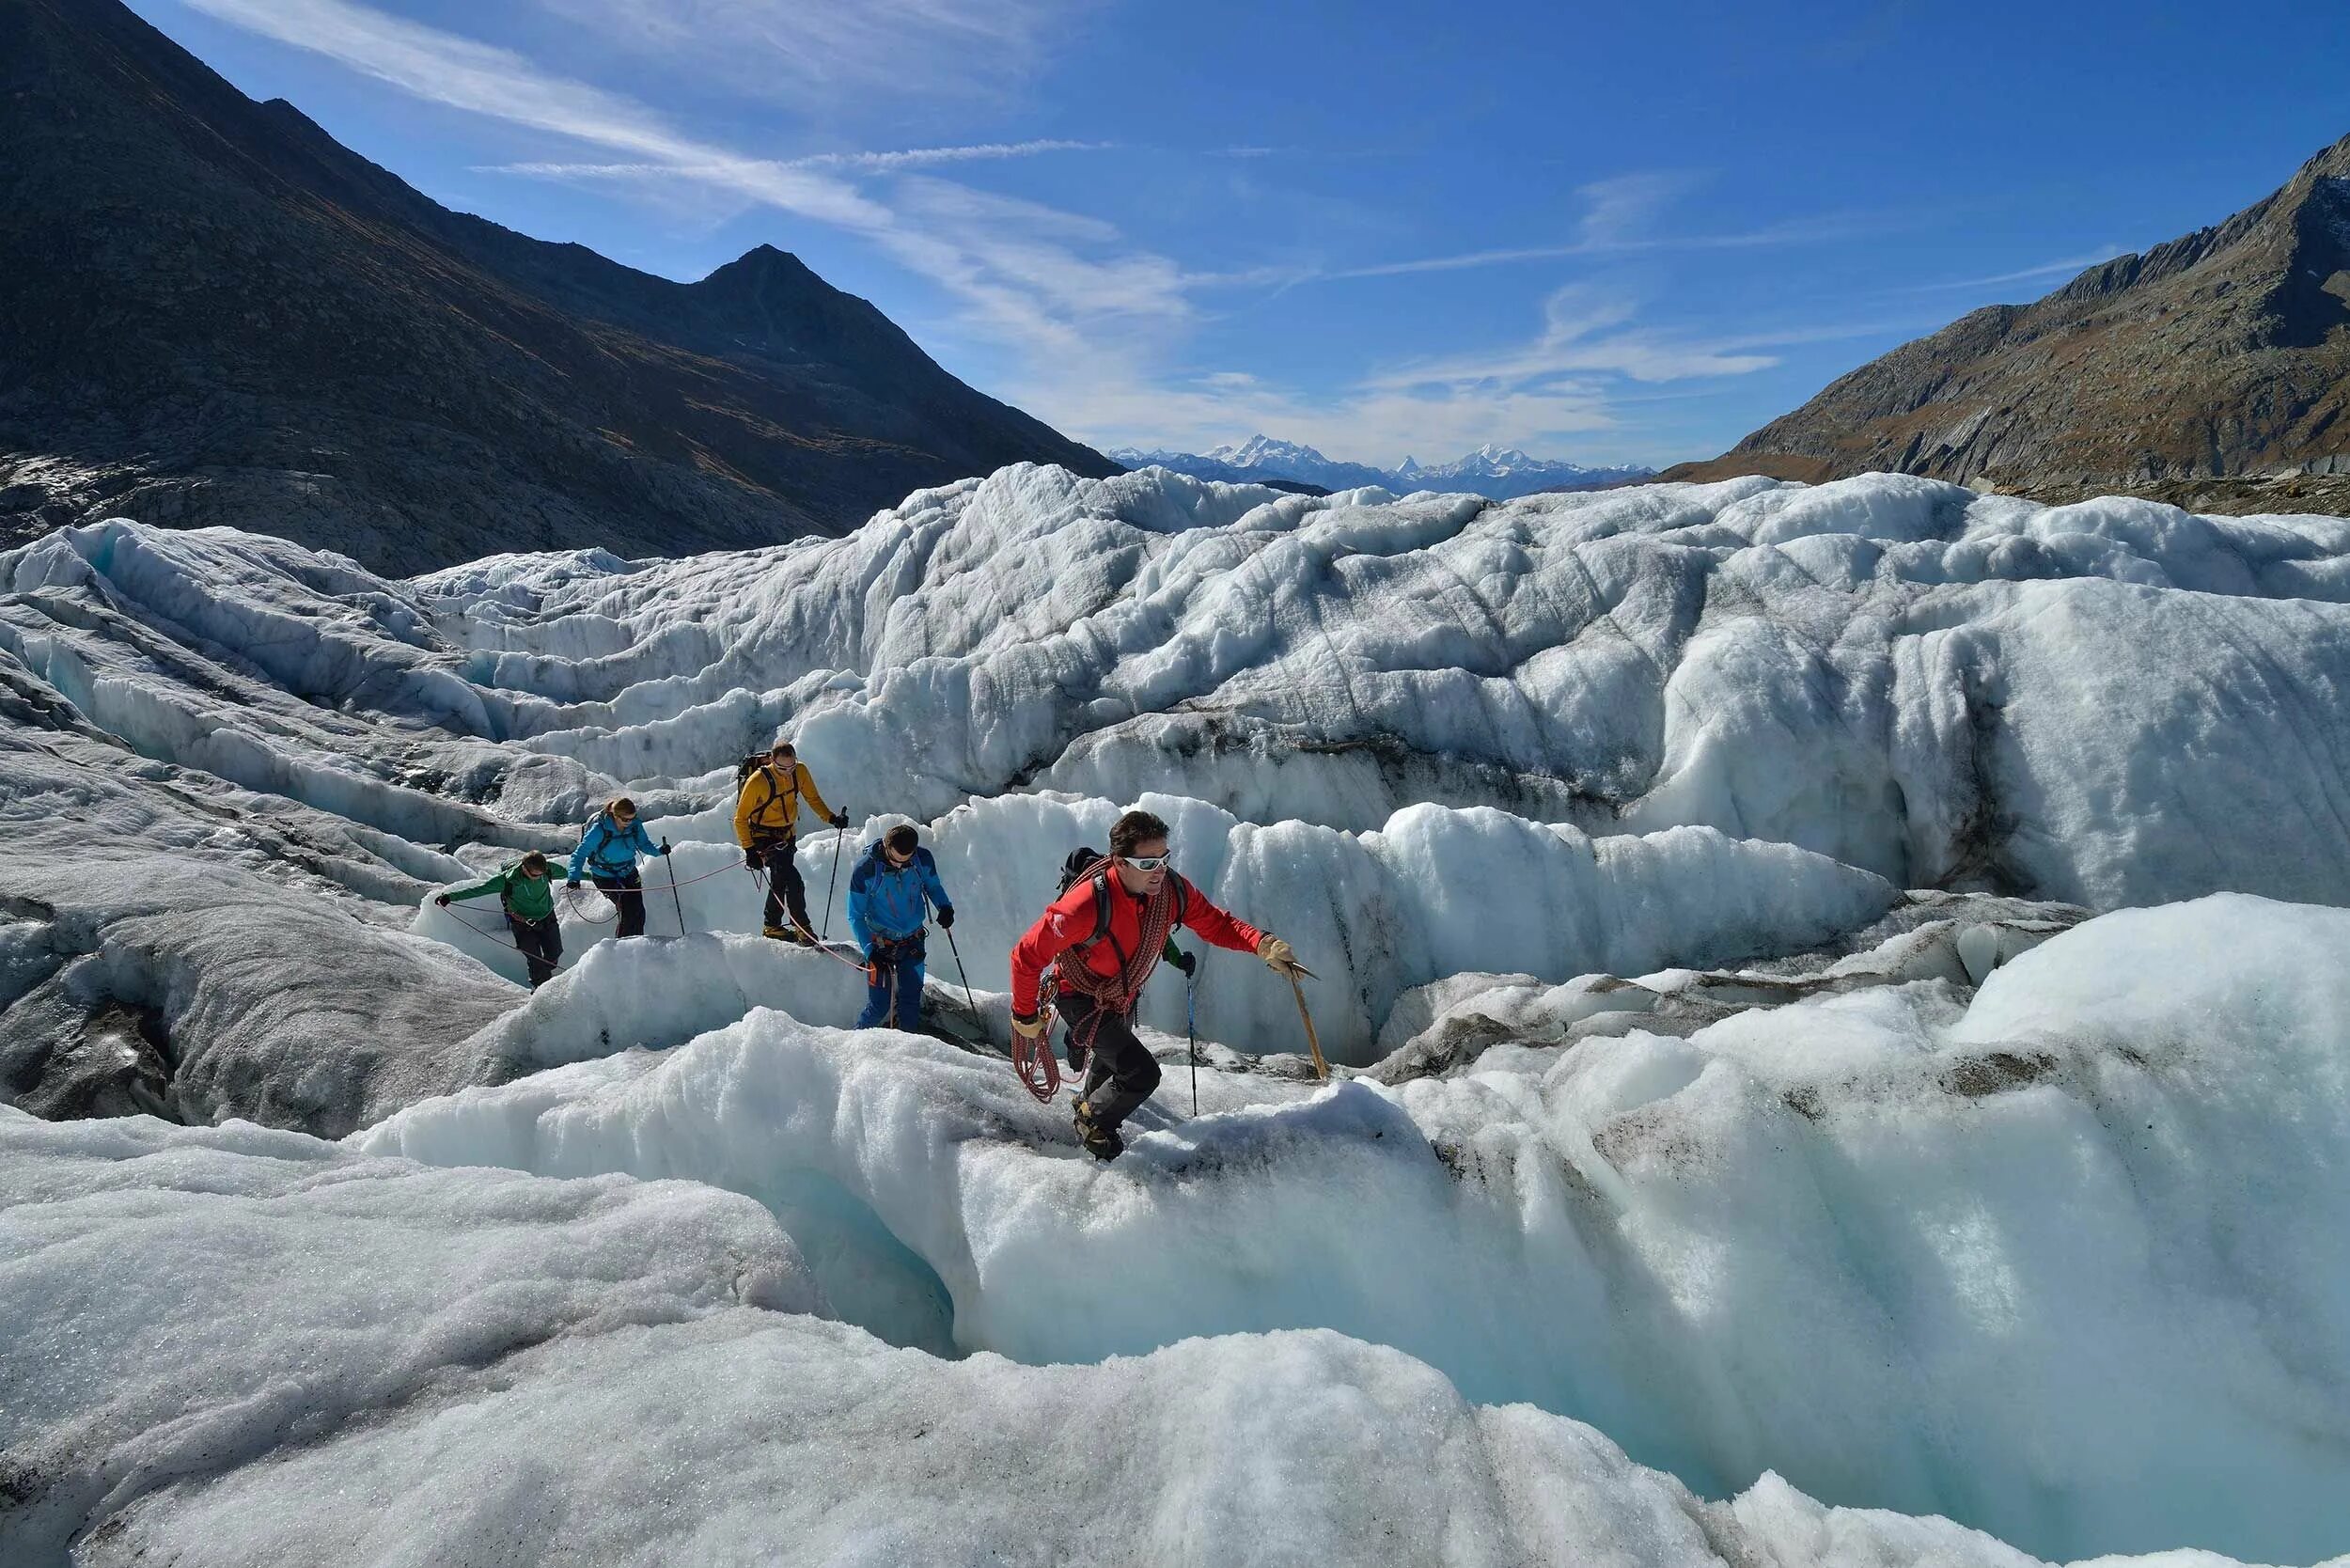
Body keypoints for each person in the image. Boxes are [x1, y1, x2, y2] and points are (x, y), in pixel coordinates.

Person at [1009, 809, 1305, 1162]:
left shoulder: (1172, 891)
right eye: (1147, 863)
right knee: (1140, 1073)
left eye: (1164, 859)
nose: (1160, 870)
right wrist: (1024, 1015)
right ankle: (1094, 1121)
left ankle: (1089, 1107)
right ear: (1119, 863)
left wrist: (1262, 943)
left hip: (1121, 994)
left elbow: (1215, 923)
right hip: (1080, 995)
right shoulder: (1086, 905)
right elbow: (1026, 955)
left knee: (1112, 1063)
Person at [735, 737, 849, 943]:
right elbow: (740, 819)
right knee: (793, 881)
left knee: (781, 879)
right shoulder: (758, 781)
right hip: (763, 838)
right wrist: (749, 850)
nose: (788, 772)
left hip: (787, 835)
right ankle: (803, 929)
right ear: (772, 761)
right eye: (782, 768)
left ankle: (772, 926)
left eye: (791, 766)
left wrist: (831, 818)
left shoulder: (800, 771)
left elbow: (812, 798)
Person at [847, 823, 954, 1029]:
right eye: (896, 860)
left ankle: (909, 1053)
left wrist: (944, 906)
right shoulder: (865, 871)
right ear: (886, 847)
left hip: (913, 942)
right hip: (880, 946)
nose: (900, 865)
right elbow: (855, 916)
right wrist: (870, 951)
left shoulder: (921, 860)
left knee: (910, 1000)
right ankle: (852, 1042)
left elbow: (933, 886)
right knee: (878, 1006)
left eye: (905, 860)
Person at [437, 850, 563, 987]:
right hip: (522, 924)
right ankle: (540, 988)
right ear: (524, 869)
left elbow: (573, 873)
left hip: (547, 918)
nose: (538, 877)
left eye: (541, 875)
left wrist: (590, 876)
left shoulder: (548, 869)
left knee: (554, 953)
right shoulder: (506, 881)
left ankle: (544, 979)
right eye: (535, 875)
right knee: (535, 960)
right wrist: (450, 897)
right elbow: (479, 889)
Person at [567, 796, 667, 938]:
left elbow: (644, 844)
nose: (629, 822)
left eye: (632, 818)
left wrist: (659, 850)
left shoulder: (634, 825)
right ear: (615, 816)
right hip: (605, 877)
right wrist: (574, 877)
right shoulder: (599, 830)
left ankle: (638, 945)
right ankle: (621, 949)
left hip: (629, 872)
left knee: (639, 912)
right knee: (627, 911)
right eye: (626, 819)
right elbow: (579, 854)